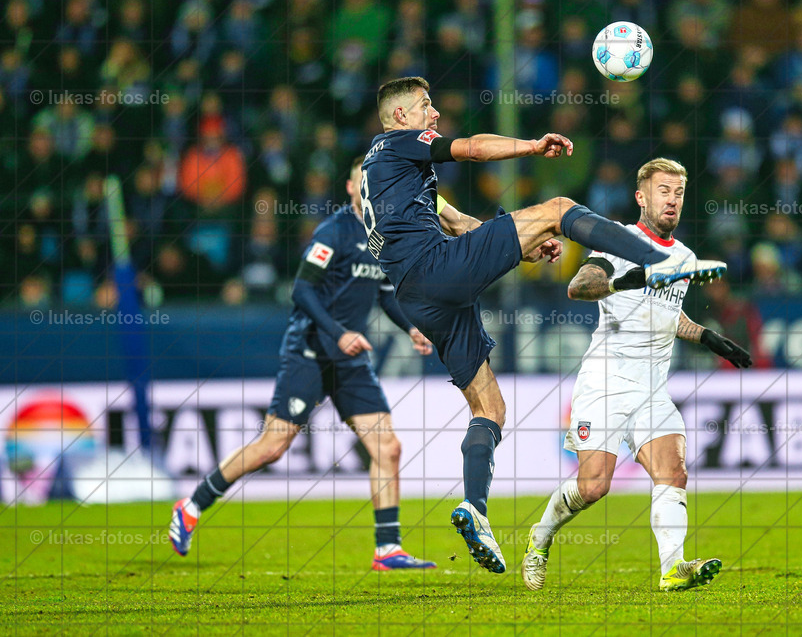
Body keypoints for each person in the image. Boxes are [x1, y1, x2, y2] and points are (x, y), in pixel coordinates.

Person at [361, 77, 725, 573]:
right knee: (558, 209)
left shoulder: (382, 175)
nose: (435, 114)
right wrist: (532, 146)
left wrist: (526, 243)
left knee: (489, 405)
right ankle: (654, 258)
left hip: (417, 293)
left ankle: (476, 509)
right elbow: (470, 148)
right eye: (427, 106)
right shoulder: (400, 142)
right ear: (401, 116)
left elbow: (455, 222)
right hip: (436, 268)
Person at [169, 157, 437, 571]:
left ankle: (388, 547)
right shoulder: (334, 231)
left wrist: (412, 328)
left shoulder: (384, 236)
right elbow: (302, 291)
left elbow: (384, 295)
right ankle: (192, 504)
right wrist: (339, 332)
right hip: (311, 350)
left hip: (349, 360)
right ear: (351, 189)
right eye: (362, 182)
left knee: (388, 446)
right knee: (273, 447)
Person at [520, 158, 752, 592]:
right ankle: (541, 536)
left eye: (679, 192)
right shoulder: (616, 241)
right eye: (663, 191)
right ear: (641, 197)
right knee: (592, 488)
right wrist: (629, 279)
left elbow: (668, 313)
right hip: (604, 384)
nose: (672, 200)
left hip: (652, 388)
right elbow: (579, 287)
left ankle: (672, 568)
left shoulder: (683, 256)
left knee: (673, 470)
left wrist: (708, 338)